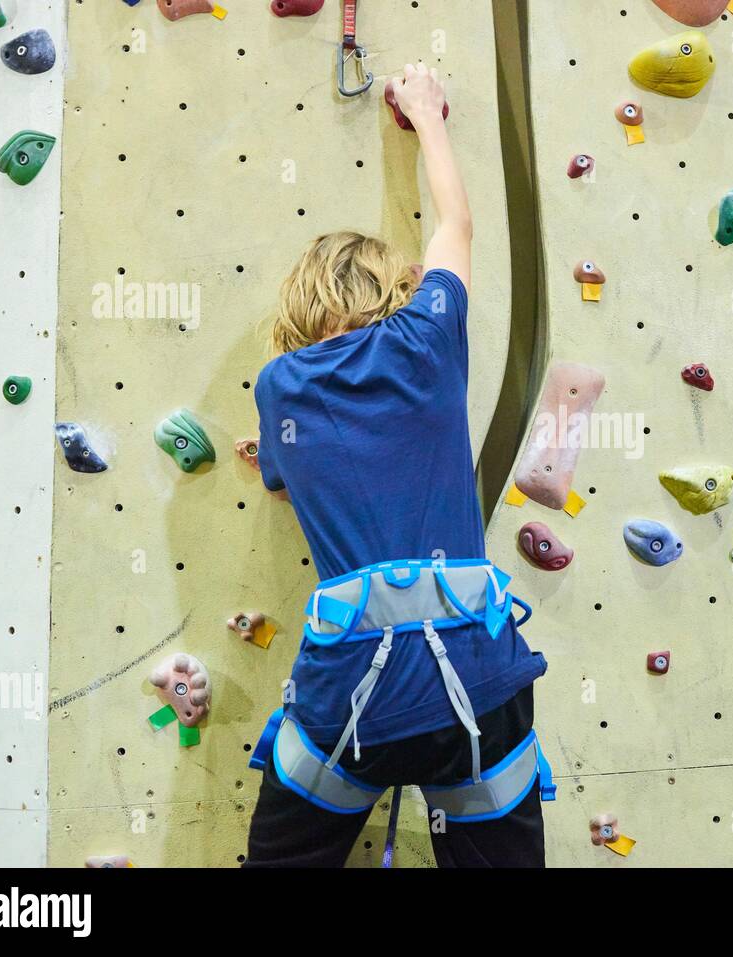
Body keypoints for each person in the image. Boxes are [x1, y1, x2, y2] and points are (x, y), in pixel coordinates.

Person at [241, 63, 550, 868]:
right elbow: (458, 223)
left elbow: (283, 473)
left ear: (303, 304)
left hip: (353, 697)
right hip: (475, 688)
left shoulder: (280, 386)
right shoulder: (430, 336)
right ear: (394, 287)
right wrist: (427, 115)